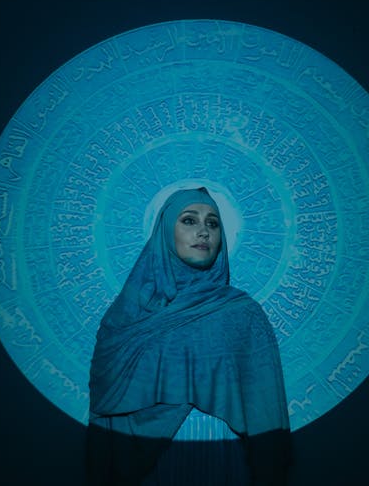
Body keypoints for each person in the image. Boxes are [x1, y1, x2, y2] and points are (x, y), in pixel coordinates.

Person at [87, 187, 291, 485]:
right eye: (188, 221)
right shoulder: (126, 317)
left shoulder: (242, 314)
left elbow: (265, 412)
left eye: (212, 223)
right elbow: (106, 405)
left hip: (222, 461)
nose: (203, 232)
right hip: (143, 472)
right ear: (166, 232)